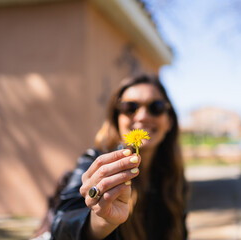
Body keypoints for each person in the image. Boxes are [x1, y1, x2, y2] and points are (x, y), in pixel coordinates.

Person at [50, 74, 189, 240]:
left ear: (169, 122)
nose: (142, 116)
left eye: (156, 107)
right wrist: (101, 221)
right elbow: (61, 228)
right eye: (130, 107)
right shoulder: (93, 163)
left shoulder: (173, 176)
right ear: (117, 120)